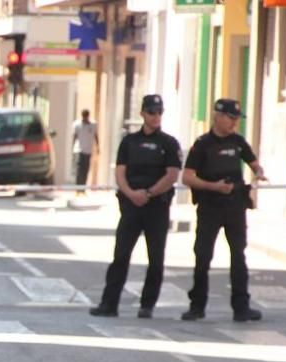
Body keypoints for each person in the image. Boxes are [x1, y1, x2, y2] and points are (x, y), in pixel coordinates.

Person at [90, 94, 181, 319]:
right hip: (131, 206)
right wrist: (131, 193)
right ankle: (109, 304)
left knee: (156, 258)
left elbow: (172, 175)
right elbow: (120, 172)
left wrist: (149, 193)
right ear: (142, 113)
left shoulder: (168, 143)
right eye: (151, 112)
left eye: (159, 112)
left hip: (156, 206)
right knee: (121, 256)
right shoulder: (129, 142)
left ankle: (147, 305)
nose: (156, 116)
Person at [180, 98, 267, 322]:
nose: (234, 123)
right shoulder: (202, 145)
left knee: (238, 255)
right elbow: (188, 176)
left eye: (236, 119)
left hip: (235, 205)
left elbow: (253, 162)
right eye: (230, 118)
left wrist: (258, 171)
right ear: (218, 116)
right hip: (210, 206)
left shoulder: (238, 142)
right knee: (203, 255)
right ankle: (197, 306)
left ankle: (241, 307)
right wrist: (213, 187)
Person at [71, 109, 98, 191]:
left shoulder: (93, 124)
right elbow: (74, 136)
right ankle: (77, 188)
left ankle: (83, 189)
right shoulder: (77, 124)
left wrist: (97, 146)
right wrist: (72, 147)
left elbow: (96, 135)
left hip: (88, 150)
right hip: (79, 149)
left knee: (85, 169)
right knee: (79, 170)